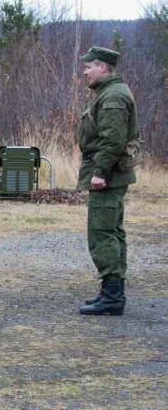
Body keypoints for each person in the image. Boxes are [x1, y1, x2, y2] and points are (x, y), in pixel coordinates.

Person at [76, 46, 140, 316]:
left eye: (89, 66)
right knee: (113, 231)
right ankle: (112, 293)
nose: (85, 71)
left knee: (102, 233)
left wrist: (99, 172)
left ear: (103, 67)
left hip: (108, 177)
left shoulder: (113, 96)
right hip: (112, 175)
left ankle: (113, 296)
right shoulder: (111, 92)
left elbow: (112, 140)